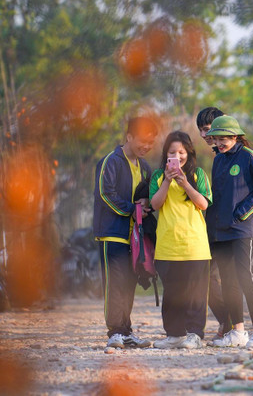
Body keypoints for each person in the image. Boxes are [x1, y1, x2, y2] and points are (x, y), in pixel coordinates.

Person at [205, 115, 253, 348]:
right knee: (228, 282)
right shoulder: (218, 161)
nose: (220, 142)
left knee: (247, 276)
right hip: (221, 231)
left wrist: (243, 212)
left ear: (235, 136)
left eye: (224, 138)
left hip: (244, 228)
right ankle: (238, 332)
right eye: (216, 138)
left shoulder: (248, 157)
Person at [92, 116, 158, 349]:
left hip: (135, 236)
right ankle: (114, 332)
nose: (147, 146)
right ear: (129, 136)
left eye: (151, 142)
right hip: (112, 233)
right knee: (115, 283)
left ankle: (126, 331)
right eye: (143, 140)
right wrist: (132, 209)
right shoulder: (111, 161)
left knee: (129, 282)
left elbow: (147, 197)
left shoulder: (146, 167)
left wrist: (146, 203)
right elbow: (105, 193)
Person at [149, 131, 213, 349]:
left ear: (189, 153)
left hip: (195, 246)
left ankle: (195, 334)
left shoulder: (198, 175)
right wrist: (167, 181)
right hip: (168, 245)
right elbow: (155, 204)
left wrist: (185, 184)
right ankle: (175, 335)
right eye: (172, 152)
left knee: (196, 294)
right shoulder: (158, 176)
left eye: (181, 152)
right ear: (166, 155)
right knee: (172, 295)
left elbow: (203, 205)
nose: (177, 156)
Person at [196, 107, 232, 339]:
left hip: (228, 226)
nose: (203, 135)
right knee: (207, 276)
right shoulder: (218, 155)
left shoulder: (235, 154)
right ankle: (228, 322)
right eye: (200, 130)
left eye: (207, 129)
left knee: (212, 276)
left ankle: (231, 323)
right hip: (213, 225)